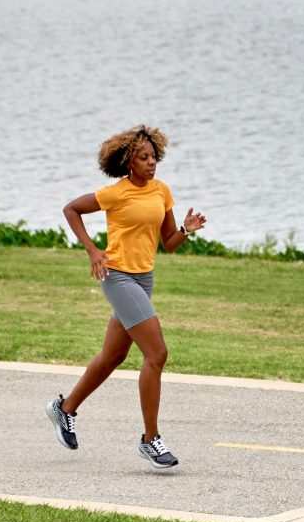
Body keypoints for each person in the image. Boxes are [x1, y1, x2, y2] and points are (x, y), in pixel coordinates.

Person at [45, 124, 206, 469]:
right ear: (128, 162)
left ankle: (65, 408)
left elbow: (169, 244)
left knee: (112, 357)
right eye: (144, 157)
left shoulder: (162, 192)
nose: (151, 163)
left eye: (154, 157)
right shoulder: (116, 193)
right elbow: (71, 209)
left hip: (144, 279)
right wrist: (91, 250)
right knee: (157, 353)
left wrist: (185, 231)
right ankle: (150, 439)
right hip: (118, 277)